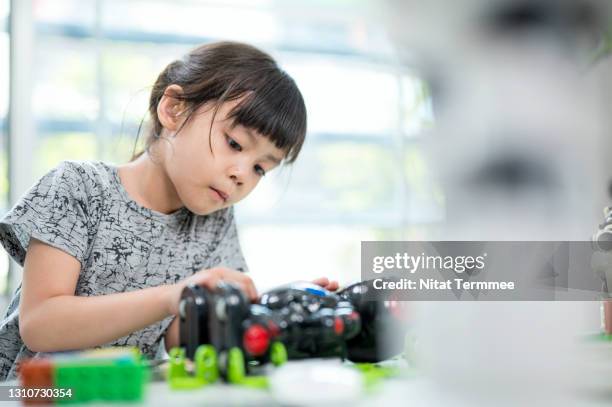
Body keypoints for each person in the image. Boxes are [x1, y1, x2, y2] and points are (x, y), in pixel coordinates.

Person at [0, 41, 338, 380]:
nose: (241, 175)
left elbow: (184, 342)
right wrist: (173, 296)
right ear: (173, 110)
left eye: (260, 169)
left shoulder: (214, 223)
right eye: (234, 143)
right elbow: (41, 324)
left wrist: (276, 313)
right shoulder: (80, 187)